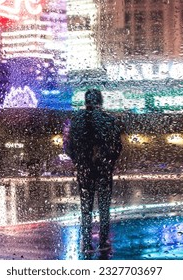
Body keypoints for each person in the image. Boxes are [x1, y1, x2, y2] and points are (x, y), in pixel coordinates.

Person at [64, 89, 122, 258]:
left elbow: (68, 146)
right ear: (100, 101)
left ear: (85, 101)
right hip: (104, 169)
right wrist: (108, 162)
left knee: (86, 207)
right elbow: (117, 147)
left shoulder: (76, 120)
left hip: (84, 169)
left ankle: (87, 239)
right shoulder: (109, 120)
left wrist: (79, 161)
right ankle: (103, 240)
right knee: (104, 206)